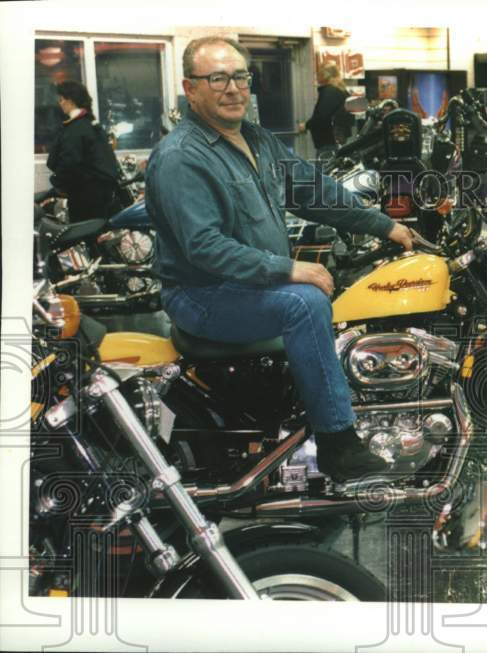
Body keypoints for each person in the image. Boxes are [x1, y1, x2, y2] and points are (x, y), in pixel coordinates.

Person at [145, 36, 413, 482]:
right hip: (204, 294)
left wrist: (383, 224)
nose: (232, 88)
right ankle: (337, 443)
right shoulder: (180, 158)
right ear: (191, 89)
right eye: (217, 78)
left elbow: (312, 191)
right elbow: (204, 248)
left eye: (239, 77)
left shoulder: (257, 139)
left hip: (246, 287)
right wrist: (289, 268)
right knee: (305, 303)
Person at [46, 80, 122, 223]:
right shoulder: (90, 124)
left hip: (85, 195)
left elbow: (70, 163)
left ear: (70, 100)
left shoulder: (76, 128)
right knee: (98, 237)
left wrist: (56, 181)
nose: (60, 103)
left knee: (84, 237)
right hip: (102, 194)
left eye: (61, 99)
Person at [298, 61, 353, 159]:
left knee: (324, 172)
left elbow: (321, 116)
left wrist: (306, 125)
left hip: (328, 143)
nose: (316, 77)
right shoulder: (340, 90)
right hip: (338, 140)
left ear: (325, 75)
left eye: (318, 74)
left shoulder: (330, 92)